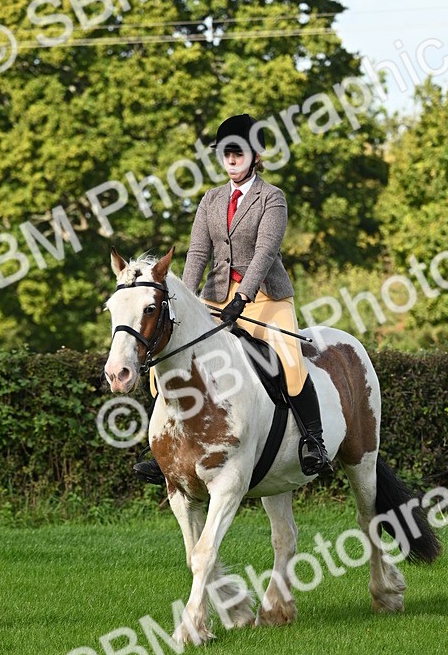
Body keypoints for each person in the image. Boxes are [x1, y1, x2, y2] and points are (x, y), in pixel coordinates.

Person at [134, 113, 332, 484]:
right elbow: (196, 255)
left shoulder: (272, 198)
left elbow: (265, 252)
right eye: (226, 152)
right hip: (213, 299)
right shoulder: (210, 200)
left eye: (238, 151)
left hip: (265, 299)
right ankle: (166, 448)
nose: (231, 158)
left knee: (289, 362)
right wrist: (184, 300)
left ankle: (313, 442)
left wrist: (243, 296)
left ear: (256, 155)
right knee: (168, 359)